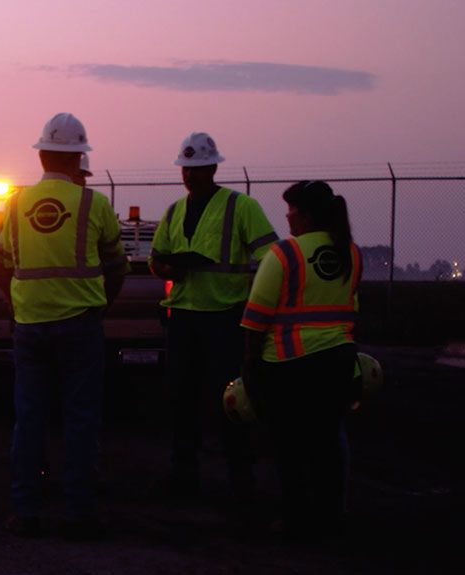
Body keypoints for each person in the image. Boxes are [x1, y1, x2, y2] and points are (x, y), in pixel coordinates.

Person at [0, 113, 127, 539]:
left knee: (29, 419)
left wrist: (16, 303)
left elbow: (0, 261)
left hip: (30, 325)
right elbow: (116, 263)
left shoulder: (16, 204)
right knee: (80, 419)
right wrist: (100, 302)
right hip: (80, 325)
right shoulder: (93, 203)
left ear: (43, 156)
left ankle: (25, 510)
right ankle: (79, 513)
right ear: (78, 158)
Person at [149, 132, 277, 503]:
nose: (190, 175)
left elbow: (271, 258)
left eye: (197, 168)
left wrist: (255, 304)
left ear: (213, 167)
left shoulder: (241, 208)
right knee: (181, 402)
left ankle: (241, 481)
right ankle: (184, 477)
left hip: (225, 317)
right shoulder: (174, 212)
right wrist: (169, 267)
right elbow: (157, 260)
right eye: (186, 169)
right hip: (184, 318)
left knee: (231, 403)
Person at [239, 180, 361, 539]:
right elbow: (351, 306)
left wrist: (250, 362)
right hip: (338, 361)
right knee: (328, 441)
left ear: (306, 216)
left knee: (289, 445)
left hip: (290, 364)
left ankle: (295, 518)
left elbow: (257, 315)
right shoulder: (350, 253)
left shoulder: (284, 255)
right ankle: (332, 515)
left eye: (291, 210)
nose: (287, 216)